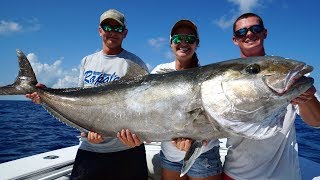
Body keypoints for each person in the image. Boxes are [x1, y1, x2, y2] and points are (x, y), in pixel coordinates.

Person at [26, 9, 149, 180]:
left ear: (125, 33)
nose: (112, 32)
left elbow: (142, 106)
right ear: (100, 30)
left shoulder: (135, 64)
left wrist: (140, 136)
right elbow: (80, 100)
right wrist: (44, 97)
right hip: (90, 149)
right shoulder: (87, 61)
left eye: (118, 29)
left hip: (127, 151)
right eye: (108, 27)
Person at [118, 19, 222, 180]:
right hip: (170, 157)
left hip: (204, 155)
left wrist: (199, 135)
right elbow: (146, 112)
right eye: (178, 38)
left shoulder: (207, 78)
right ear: (171, 43)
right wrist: (136, 136)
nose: (183, 43)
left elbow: (215, 116)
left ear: (196, 44)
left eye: (190, 39)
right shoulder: (160, 71)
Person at [222, 13, 320, 180]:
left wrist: (307, 97)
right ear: (234, 39)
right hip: (236, 174)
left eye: (255, 29)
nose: (249, 34)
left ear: (265, 33)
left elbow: (317, 121)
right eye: (242, 32)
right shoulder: (225, 79)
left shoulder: (286, 70)